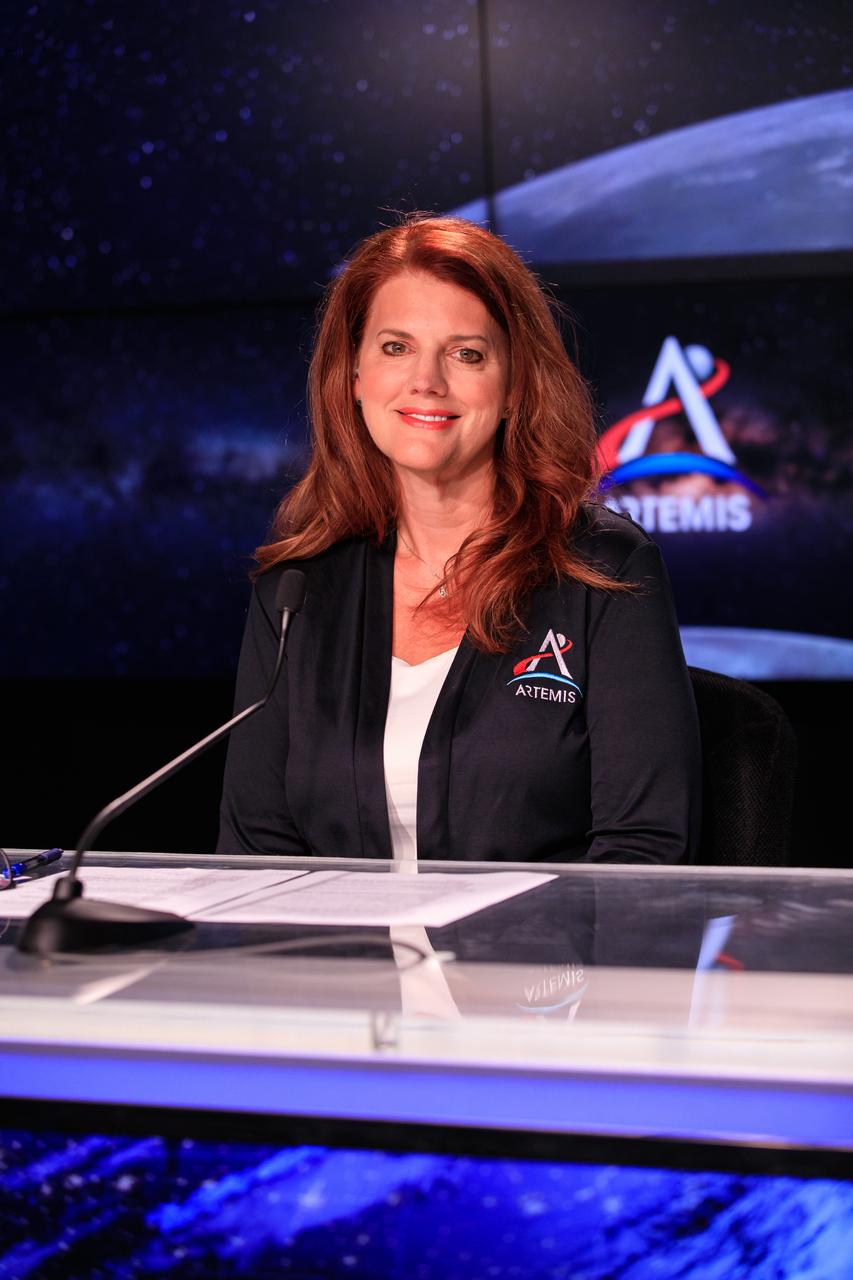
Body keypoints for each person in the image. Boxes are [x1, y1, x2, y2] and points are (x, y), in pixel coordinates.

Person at [217, 214, 701, 864]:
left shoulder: (603, 570)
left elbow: (643, 852)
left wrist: (517, 969)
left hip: (544, 964)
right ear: (353, 375)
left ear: (512, 388)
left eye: (466, 353)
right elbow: (255, 847)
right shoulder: (295, 586)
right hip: (334, 963)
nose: (426, 381)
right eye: (395, 347)